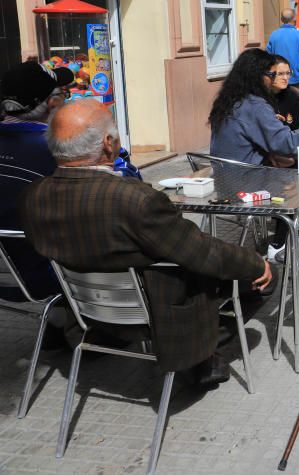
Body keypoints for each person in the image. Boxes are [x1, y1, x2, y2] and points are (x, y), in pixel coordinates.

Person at [19, 99, 272, 385]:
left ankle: (112, 340)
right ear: (108, 144)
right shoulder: (134, 200)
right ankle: (202, 355)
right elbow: (200, 251)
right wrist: (256, 263)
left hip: (86, 310)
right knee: (258, 280)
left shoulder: (33, 196)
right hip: (153, 315)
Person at [0, 61, 75, 302]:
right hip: (43, 276)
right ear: (52, 103)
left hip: (6, 275)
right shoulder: (60, 151)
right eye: (63, 94)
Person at [209, 48, 299, 165]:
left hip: (224, 174)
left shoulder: (231, 100)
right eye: (272, 74)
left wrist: (268, 122)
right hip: (247, 180)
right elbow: (288, 144)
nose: (275, 79)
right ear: (256, 76)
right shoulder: (255, 106)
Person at [266, 8, 299, 113]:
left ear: (281, 19)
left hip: (278, 77)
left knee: (280, 103)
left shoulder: (274, 35)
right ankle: (297, 124)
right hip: (298, 77)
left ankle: (283, 125)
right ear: (294, 19)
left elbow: (268, 56)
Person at [267, 56, 299, 131]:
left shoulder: (292, 97)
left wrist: (282, 123)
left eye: (288, 73)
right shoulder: (259, 98)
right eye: (280, 74)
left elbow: (297, 127)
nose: (285, 78)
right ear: (268, 75)